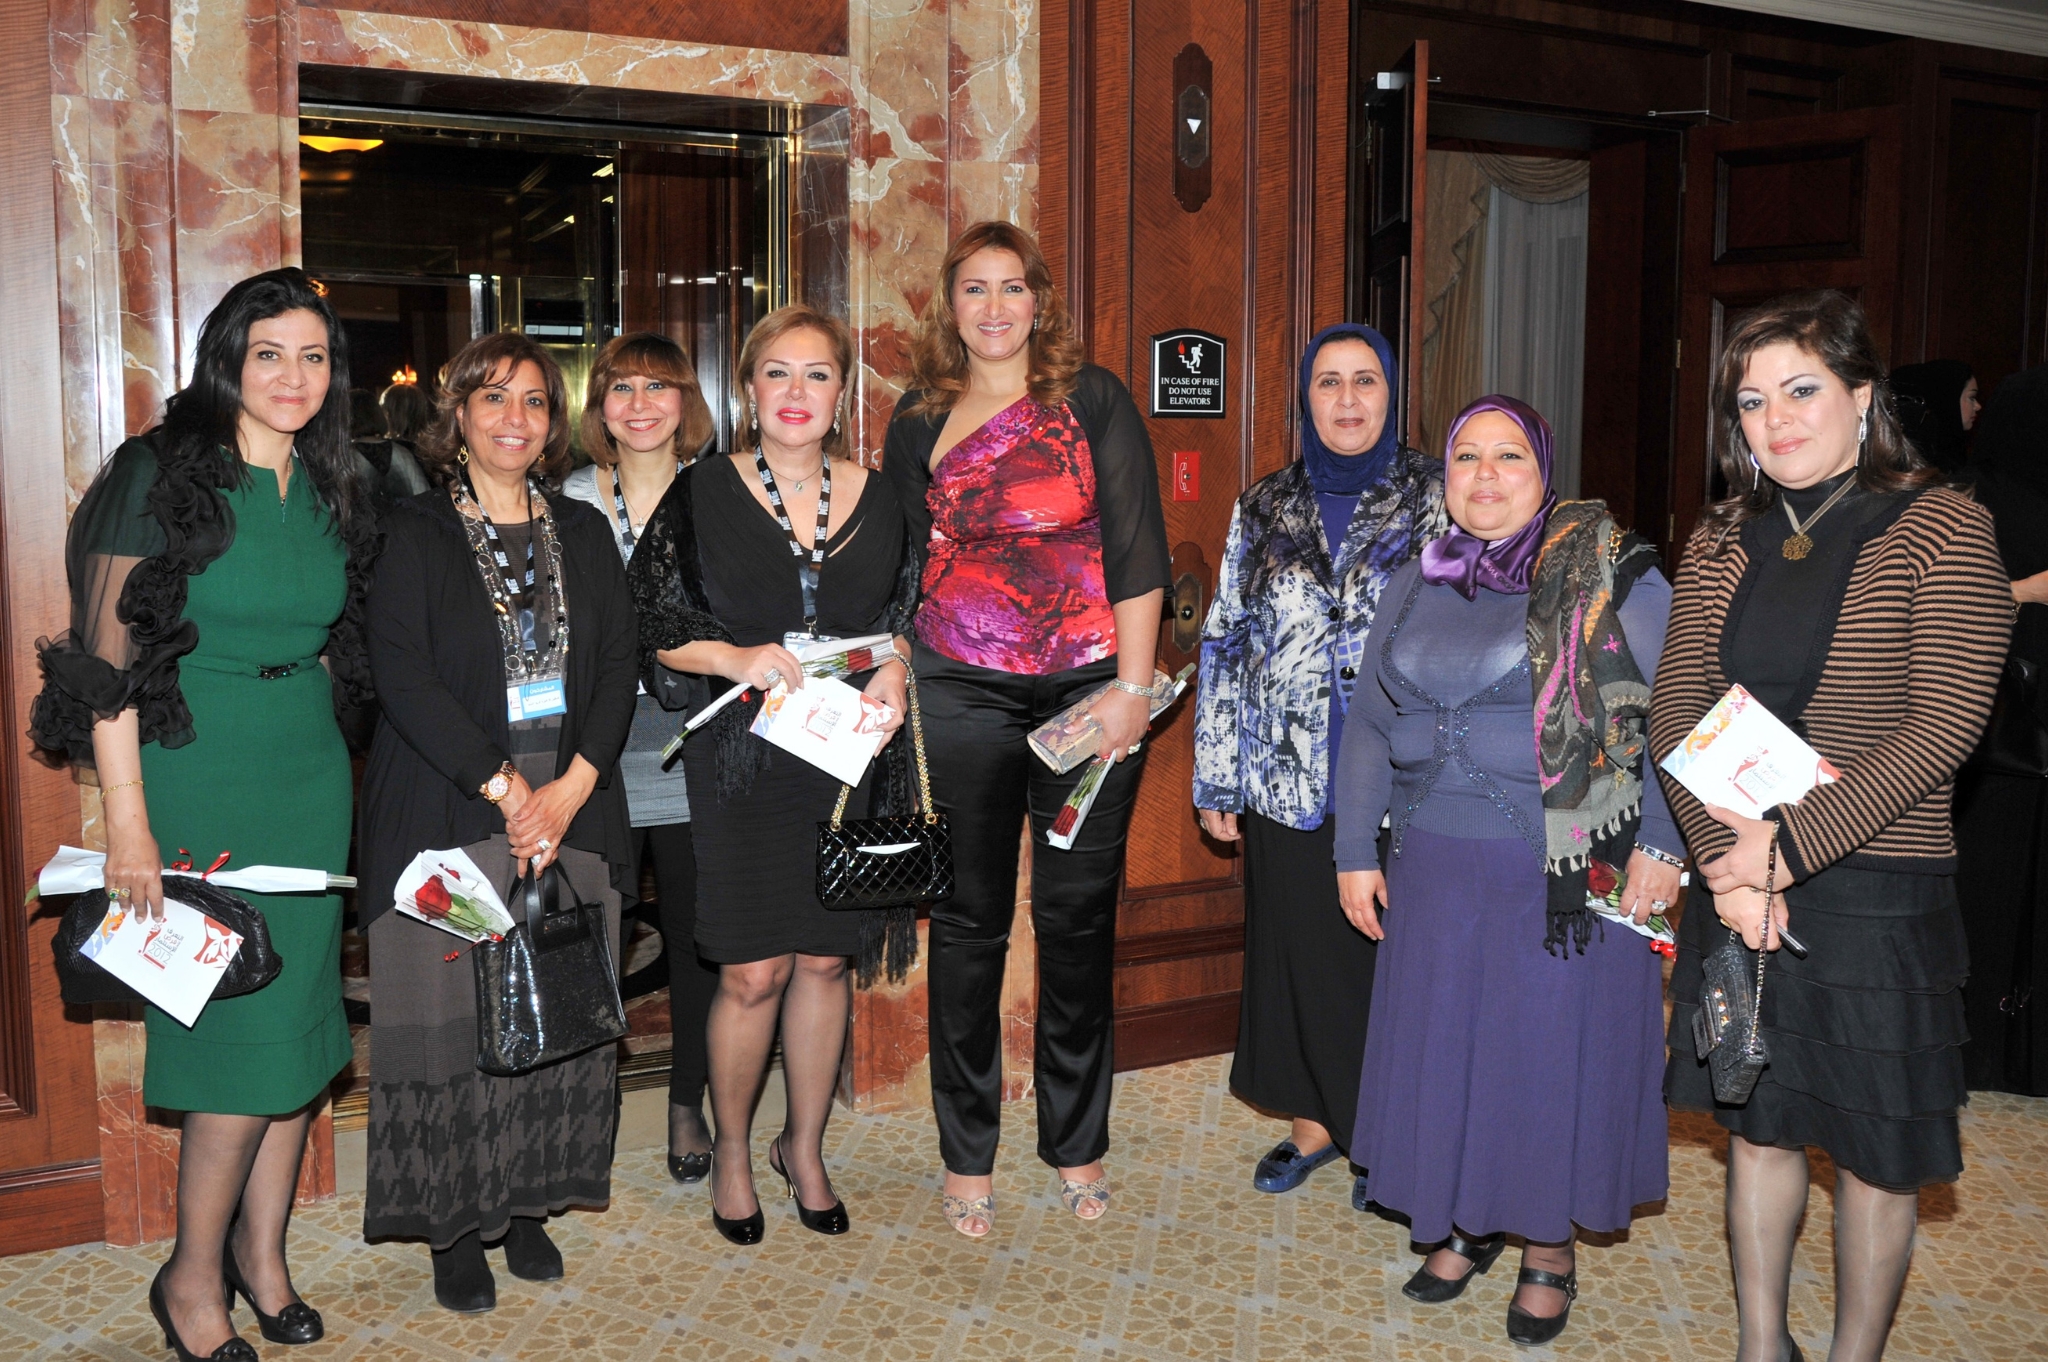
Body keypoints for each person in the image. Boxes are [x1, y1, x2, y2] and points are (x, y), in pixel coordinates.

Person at [1653, 291, 2010, 1362]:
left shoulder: (1945, 523)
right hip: (1734, 879)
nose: (1776, 420)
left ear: (1860, 396)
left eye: (1801, 390)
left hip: (1873, 886)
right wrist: (1723, 863)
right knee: (1756, 1133)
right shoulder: (1721, 533)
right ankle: (1762, 1347)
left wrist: (1784, 848)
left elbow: (1940, 723)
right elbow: (1674, 707)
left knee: (1872, 1153)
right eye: (1752, 401)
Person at [30, 267, 374, 1360]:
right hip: (192, 773)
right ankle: (189, 1277)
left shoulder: (331, 481)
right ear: (226, 358)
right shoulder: (159, 473)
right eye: (269, 352)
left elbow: (336, 638)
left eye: (313, 356)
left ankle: (263, 1261)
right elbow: (103, 663)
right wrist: (126, 819)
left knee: (301, 1045)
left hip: (308, 777)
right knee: (238, 1046)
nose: (292, 375)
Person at [1333, 395, 1682, 1347]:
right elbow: (1366, 723)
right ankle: (1459, 1218)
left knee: (1538, 1062)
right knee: (1448, 1047)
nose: (1484, 478)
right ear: (1444, 478)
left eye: (1509, 458)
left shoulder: (1613, 580)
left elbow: (1679, 716)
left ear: (1545, 473)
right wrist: (1354, 849)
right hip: (1434, 868)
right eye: (1466, 459)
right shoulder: (1414, 579)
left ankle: (1546, 1250)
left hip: (1559, 872)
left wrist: (1662, 842)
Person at [883, 221, 1171, 1239]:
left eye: (1012, 288)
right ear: (948, 305)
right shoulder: (916, 420)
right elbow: (903, 564)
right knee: (965, 929)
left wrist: (1133, 693)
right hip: (956, 691)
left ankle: (1077, 1143)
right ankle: (966, 1156)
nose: (994, 308)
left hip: (1086, 696)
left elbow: (1138, 549)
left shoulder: (1089, 401)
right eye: (974, 289)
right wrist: (888, 669)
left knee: (1076, 920)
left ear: (1038, 301)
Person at [356, 331, 639, 1313]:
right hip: (446, 811)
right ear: (457, 418)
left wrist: (568, 787)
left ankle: (525, 1205)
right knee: (445, 1025)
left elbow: (616, 670)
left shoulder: (585, 533)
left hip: (574, 816)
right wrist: (507, 790)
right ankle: (450, 1224)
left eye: (532, 401)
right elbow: (404, 675)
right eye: (492, 399)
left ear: (552, 424)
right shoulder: (414, 533)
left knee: (550, 1010)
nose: (513, 418)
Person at [630, 304, 917, 1246]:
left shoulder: (881, 494)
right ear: (749, 390)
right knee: (751, 971)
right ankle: (739, 1155)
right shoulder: (702, 493)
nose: (798, 393)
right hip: (746, 761)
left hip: (845, 756)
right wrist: (734, 656)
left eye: (818, 375)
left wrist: (899, 674)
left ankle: (807, 1146)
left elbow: (904, 617)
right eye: (778, 375)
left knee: (827, 957)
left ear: (843, 392)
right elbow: (657, 625)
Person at [1193, 322, 1445, 1204]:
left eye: (1365, 381)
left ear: (1392, 393)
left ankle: (1386, 1133)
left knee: (1391, 960)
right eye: (1328, 382)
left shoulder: (1440, 497)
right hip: (1285, 773)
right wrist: (1216, 775)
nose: (1347, 400)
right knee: (1300, 950)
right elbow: (1224, 637)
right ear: (1305, 399)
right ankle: (1314, 1124)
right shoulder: (1265, 503)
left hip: (1410, 777)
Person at [563, 332, 722, 1181]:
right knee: (595, 930)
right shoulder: (570, 498)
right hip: (594, 747)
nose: (639, 404)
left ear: (686, 403)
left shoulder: (721, 494)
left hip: (695, 740)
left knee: (698, 936)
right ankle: (582, 1103)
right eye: (620, 389)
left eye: (658, 387)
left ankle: (688, 1100)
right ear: (600, 410)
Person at [1948, 362, 2048, 1094]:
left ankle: (1983, 1045)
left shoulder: (1969, 493)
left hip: (1990, 743)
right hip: (1997, 737)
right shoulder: (1977, 500)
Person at [1886, 360, 1978, 472]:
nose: (1977, 406)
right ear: (1946, 400)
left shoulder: (1955, 455)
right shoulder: (1919, 466)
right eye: (1971, 397)